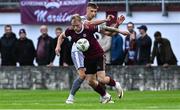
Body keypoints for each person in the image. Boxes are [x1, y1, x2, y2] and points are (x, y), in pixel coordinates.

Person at [63, 2, 127, 104]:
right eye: (92, 11)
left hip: (95, 54)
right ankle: (105, 96)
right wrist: (105, 20)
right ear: (87, 10)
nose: (93, 13)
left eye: (95, 12)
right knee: (89, 80)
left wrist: (118, 25)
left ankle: (107, 92)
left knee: (99, 79)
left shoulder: (91, 25)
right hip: (81, 53)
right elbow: (63, 35)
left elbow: (108, 33)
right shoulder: (80, 20)